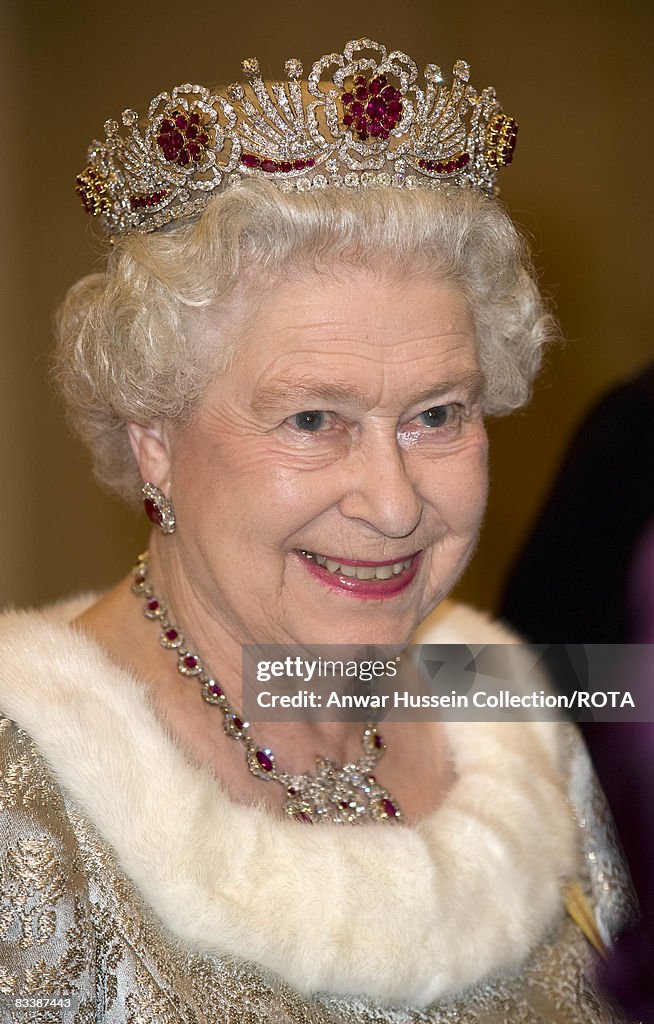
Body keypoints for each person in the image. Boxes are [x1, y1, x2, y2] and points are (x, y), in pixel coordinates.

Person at [0, 39, 635, 1023]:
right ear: (155, 438)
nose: (392, 505)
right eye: (312, 419)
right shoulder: (25, 814)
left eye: (438, 414)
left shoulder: (523, 727)